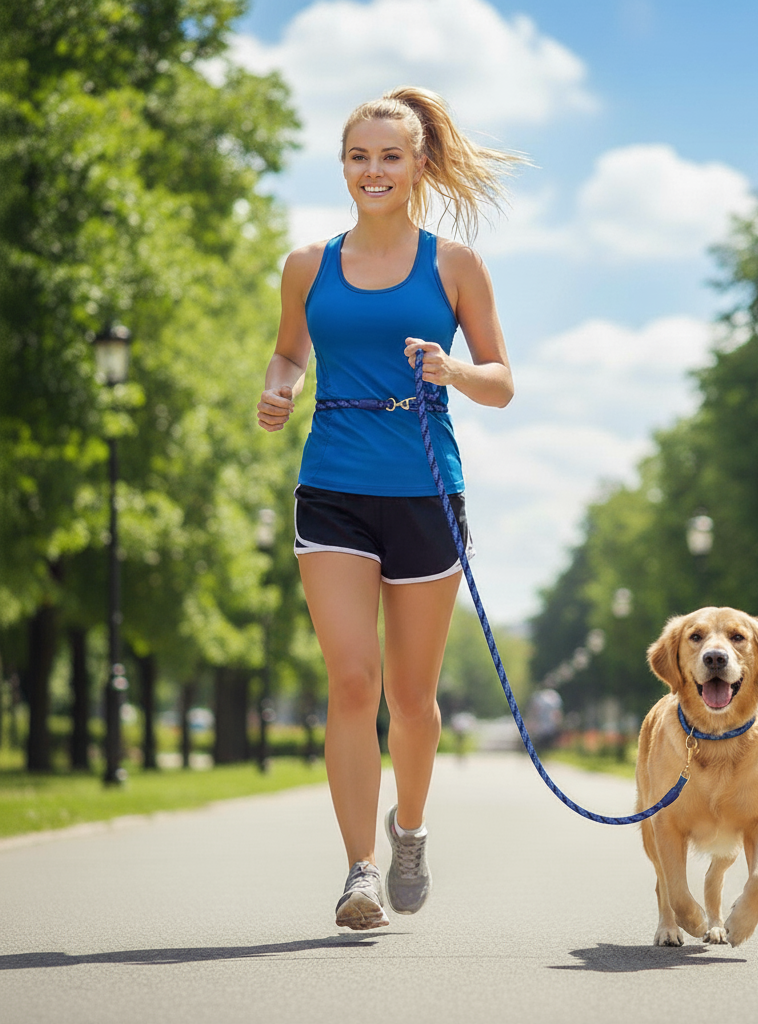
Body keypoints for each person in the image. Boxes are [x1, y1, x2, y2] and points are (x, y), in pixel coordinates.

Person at [256, 87, 518, 930]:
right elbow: (290, 349)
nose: (374, 170)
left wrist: (454, 371)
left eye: (390, 157)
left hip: (425, 490)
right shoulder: (307, 265)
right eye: (360, 156)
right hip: (331, 485)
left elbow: (503, 382)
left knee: (410, 695)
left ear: (419, 166)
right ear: (343, 166)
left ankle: (409, 829)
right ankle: (359, 869)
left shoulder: (455, 265)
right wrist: (280, 387)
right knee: (351, 681)